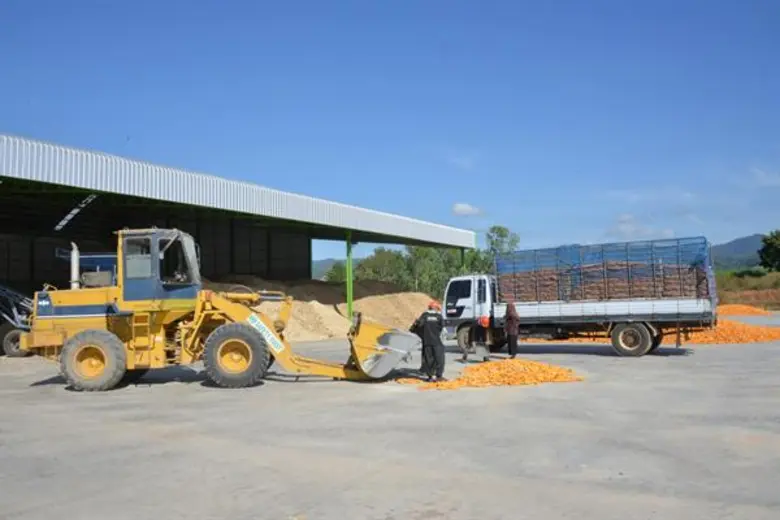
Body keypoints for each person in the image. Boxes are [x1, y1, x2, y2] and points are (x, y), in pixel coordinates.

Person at [410, 300, 447, 382]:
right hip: (437, 342)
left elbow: (418, 325)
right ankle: (439, 376)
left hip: (427, 342)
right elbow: (443, 330)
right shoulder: (439, 316)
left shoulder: (424, 315)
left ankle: (430, 377)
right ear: (436, 308)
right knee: (440, 359)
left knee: (428, 359)